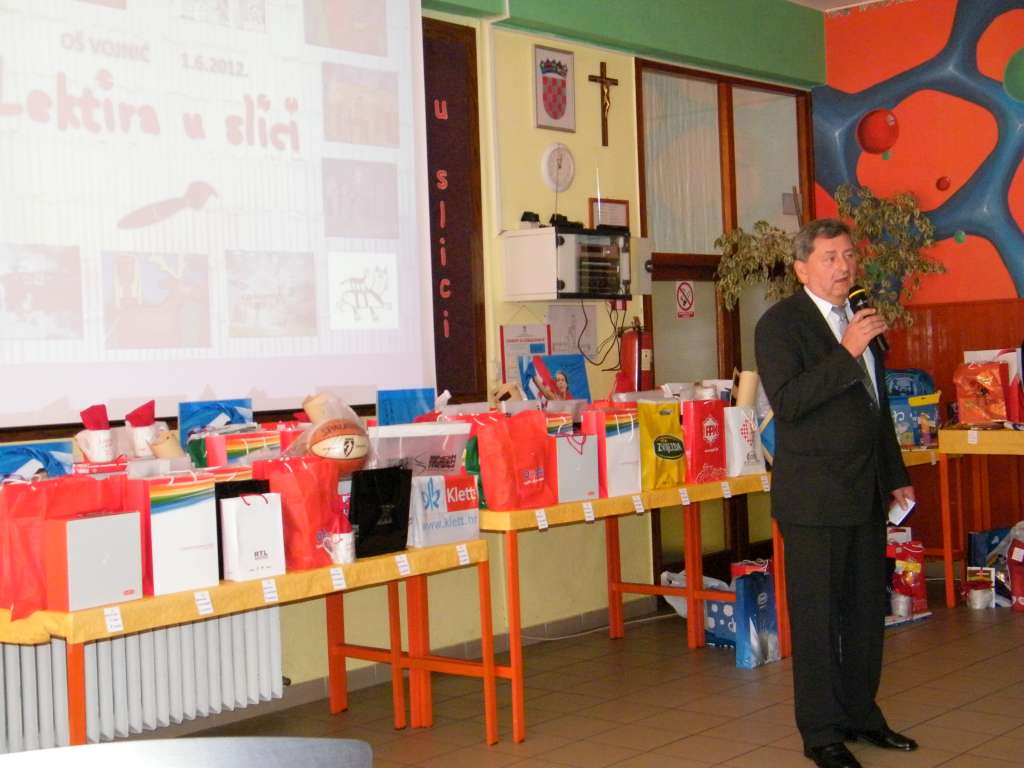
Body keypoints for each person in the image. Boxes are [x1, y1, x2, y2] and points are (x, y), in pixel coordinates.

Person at [754, 219, 916, 768]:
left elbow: (876, 407)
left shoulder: (861, 318)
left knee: (866, 614)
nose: (844, 266)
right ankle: (821, 732)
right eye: (830, 257)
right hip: (814, 500)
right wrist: (846, 351)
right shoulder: (781, 325)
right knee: (818, 619)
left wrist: (894, 473)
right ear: (802, 269)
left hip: (865, 492)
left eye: (848, 255)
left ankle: (861, 715)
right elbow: (791, 402)